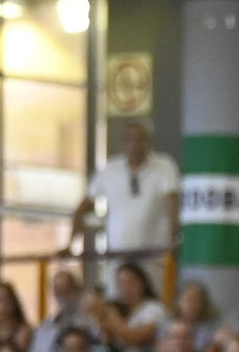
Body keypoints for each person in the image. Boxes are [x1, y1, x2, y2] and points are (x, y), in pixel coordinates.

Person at [70, 121, 180, 290]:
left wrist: (174, 240)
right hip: (117, 258)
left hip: (153, 258)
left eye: (140, 139)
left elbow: (173, 204)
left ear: (148, 141)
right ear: (123, 143)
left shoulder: (164, 167)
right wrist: (71, 244)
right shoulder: (110, 170)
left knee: (154, 303)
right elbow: (83, 208)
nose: (135, 145)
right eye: (130, 140)